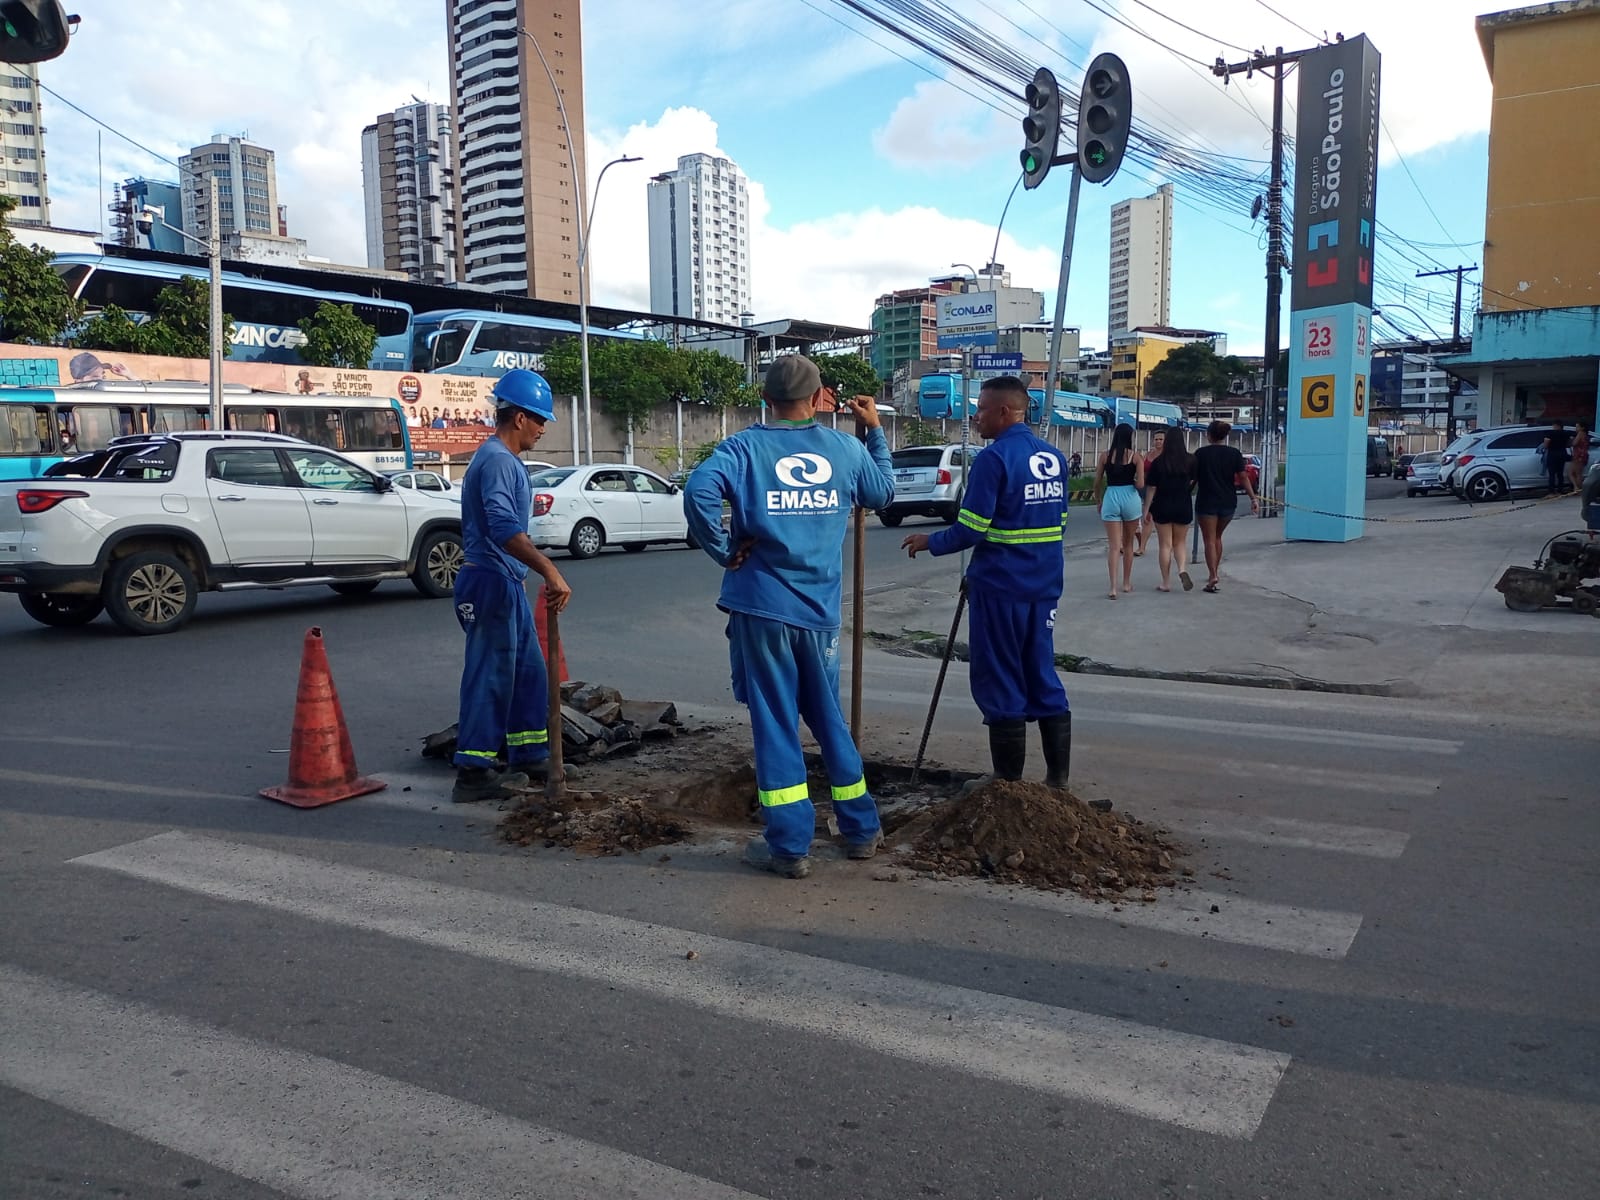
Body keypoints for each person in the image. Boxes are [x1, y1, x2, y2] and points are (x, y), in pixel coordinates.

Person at [684, 354, 895, 879]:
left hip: (761, 607)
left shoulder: (744, 448)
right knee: (829, 720)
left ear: (766, 399)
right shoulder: (845, 448)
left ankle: (789, 845)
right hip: (818, 612)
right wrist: (873, 433)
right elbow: (882, 494)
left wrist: (722, 547)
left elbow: (697, 491)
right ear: (820, 398)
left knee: (776, 722)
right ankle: (861, 830)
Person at [902, 375, 1073, 795]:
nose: (974, 416)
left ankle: (1007, 781)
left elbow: (970, 530)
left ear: (1003, 411)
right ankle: (1057, 782)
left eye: (979, 408)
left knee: (999, 676)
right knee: (1041, 672)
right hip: (1044, 585)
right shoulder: (1053, 457)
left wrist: (930, 542)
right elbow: (1060, 523)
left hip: (1001, 587)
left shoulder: (993, 461)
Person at [451, 368, 574, 803]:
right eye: (539, 419)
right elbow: (504, 527)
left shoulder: (503, 460)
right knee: (492, 675)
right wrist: (549, 570)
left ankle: (529, 754)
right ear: (519, 417)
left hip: (505, 580)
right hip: (489, 581)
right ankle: (473, 771)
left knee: (528, 673)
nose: (543, 428)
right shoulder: (500, 462)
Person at [1194, 420, 1258, 593]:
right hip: (1228, 501)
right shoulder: (1234, 454)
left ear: (1209, 435)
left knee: (1209, 539)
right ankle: (1215, 572)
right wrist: (1253, 498)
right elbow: (1243, 477)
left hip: (1207, 500)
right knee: (1217, 537)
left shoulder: (1201, 453)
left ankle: (1213, 574)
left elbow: (1192, 477)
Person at [1094, 423, 1145, 599]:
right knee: (1129, 544)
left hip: (1111, 497)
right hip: (1130, 498)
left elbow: (1097, 481)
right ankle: (1126, 583)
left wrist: (1098, 500)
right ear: (1130, 437)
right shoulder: (1135, 457)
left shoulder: (1105, 456)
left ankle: (1112, 587)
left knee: (1115, 546)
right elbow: (1140, 484)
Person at [1142, 429, 1196, 591]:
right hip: (1183, 505)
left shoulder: (1159, 462)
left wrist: (1146, 510)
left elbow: (1151, 488)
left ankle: (1166, 582)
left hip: (1162, 506)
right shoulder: (1191, 460)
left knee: (1165, 545)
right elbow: (1194, 481)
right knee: (1180, 543)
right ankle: (1182, 570)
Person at [1135, 429, 1165, 555]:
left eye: (1161, 439)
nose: (1158, 441)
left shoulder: (1167, 455)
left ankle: (1166, 546)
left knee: (1157, 519)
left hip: (1161, 490)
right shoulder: (1148, 454)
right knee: (1147, 517)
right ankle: (1142, 547)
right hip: (1145, 488)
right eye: (1156, 439)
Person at [1542, 421, 1570, 494]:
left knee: (1552, 474)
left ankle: (1552, 490)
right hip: (1562, 453)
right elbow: (1569, 443)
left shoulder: (1551, 433)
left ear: (1557, 426)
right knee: (1560, 473)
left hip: (1552, 454)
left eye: (1554, 425)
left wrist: (1546, 447)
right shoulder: (1566, 433)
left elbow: (1546, 444)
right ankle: (1560, 489)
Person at [1566, 420, 1589, 496]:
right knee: (1576, 473)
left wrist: (1572, 439)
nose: (1576, 428)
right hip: (1582, 455)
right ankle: (1577, 488)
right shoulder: (1585, 434)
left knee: (1575, 473)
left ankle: (1578, 488)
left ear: (1582, 428)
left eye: (1577, 427)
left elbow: (1574, 443)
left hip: (1578, 455)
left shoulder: (1580, 434)